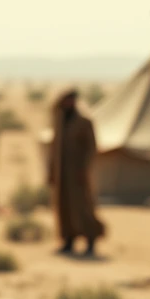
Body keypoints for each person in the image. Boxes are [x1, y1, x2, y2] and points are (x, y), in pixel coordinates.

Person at [48, 87, 105, 256]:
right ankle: (68, 240)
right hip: (61, 174)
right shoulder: (59, 122)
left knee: (83, 207)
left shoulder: (83, 122)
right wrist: (51, 171)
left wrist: (84, 168)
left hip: (78, 173)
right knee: (64, 208)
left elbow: (91, 148)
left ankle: (90, 239)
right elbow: (54, 149)